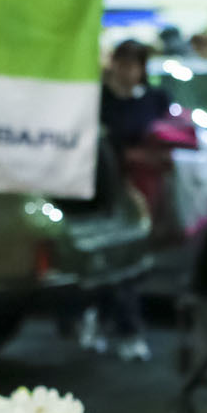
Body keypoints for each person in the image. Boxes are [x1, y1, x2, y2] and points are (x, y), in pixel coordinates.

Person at [79, 40, 163, 361]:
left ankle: (113, 324)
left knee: (130, 264)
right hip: (104, 193)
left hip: (142, 192)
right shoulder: (98, 100)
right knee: (112, 262)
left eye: (134, 64)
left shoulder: (154, 100)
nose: (127, 71)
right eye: (122, 63)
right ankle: (114, 325)